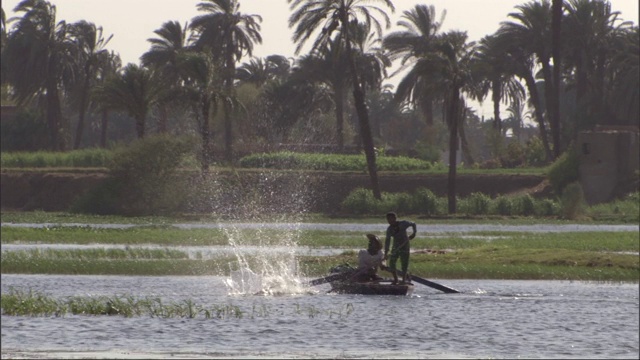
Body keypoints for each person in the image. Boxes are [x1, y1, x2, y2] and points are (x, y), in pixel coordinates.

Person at [383, 212, 417, 284]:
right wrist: (386, 253)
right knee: (392, 262)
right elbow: (387, 241)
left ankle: (404, 280)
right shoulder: (389, 229)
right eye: (388, 219)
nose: (389, 221)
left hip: (405, 245)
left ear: (395, 218)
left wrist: (414, 233)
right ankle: (396, 279)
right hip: (396, 247)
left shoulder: (403, 224)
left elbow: (413, 224)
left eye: (390, 219)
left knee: (404, 263)